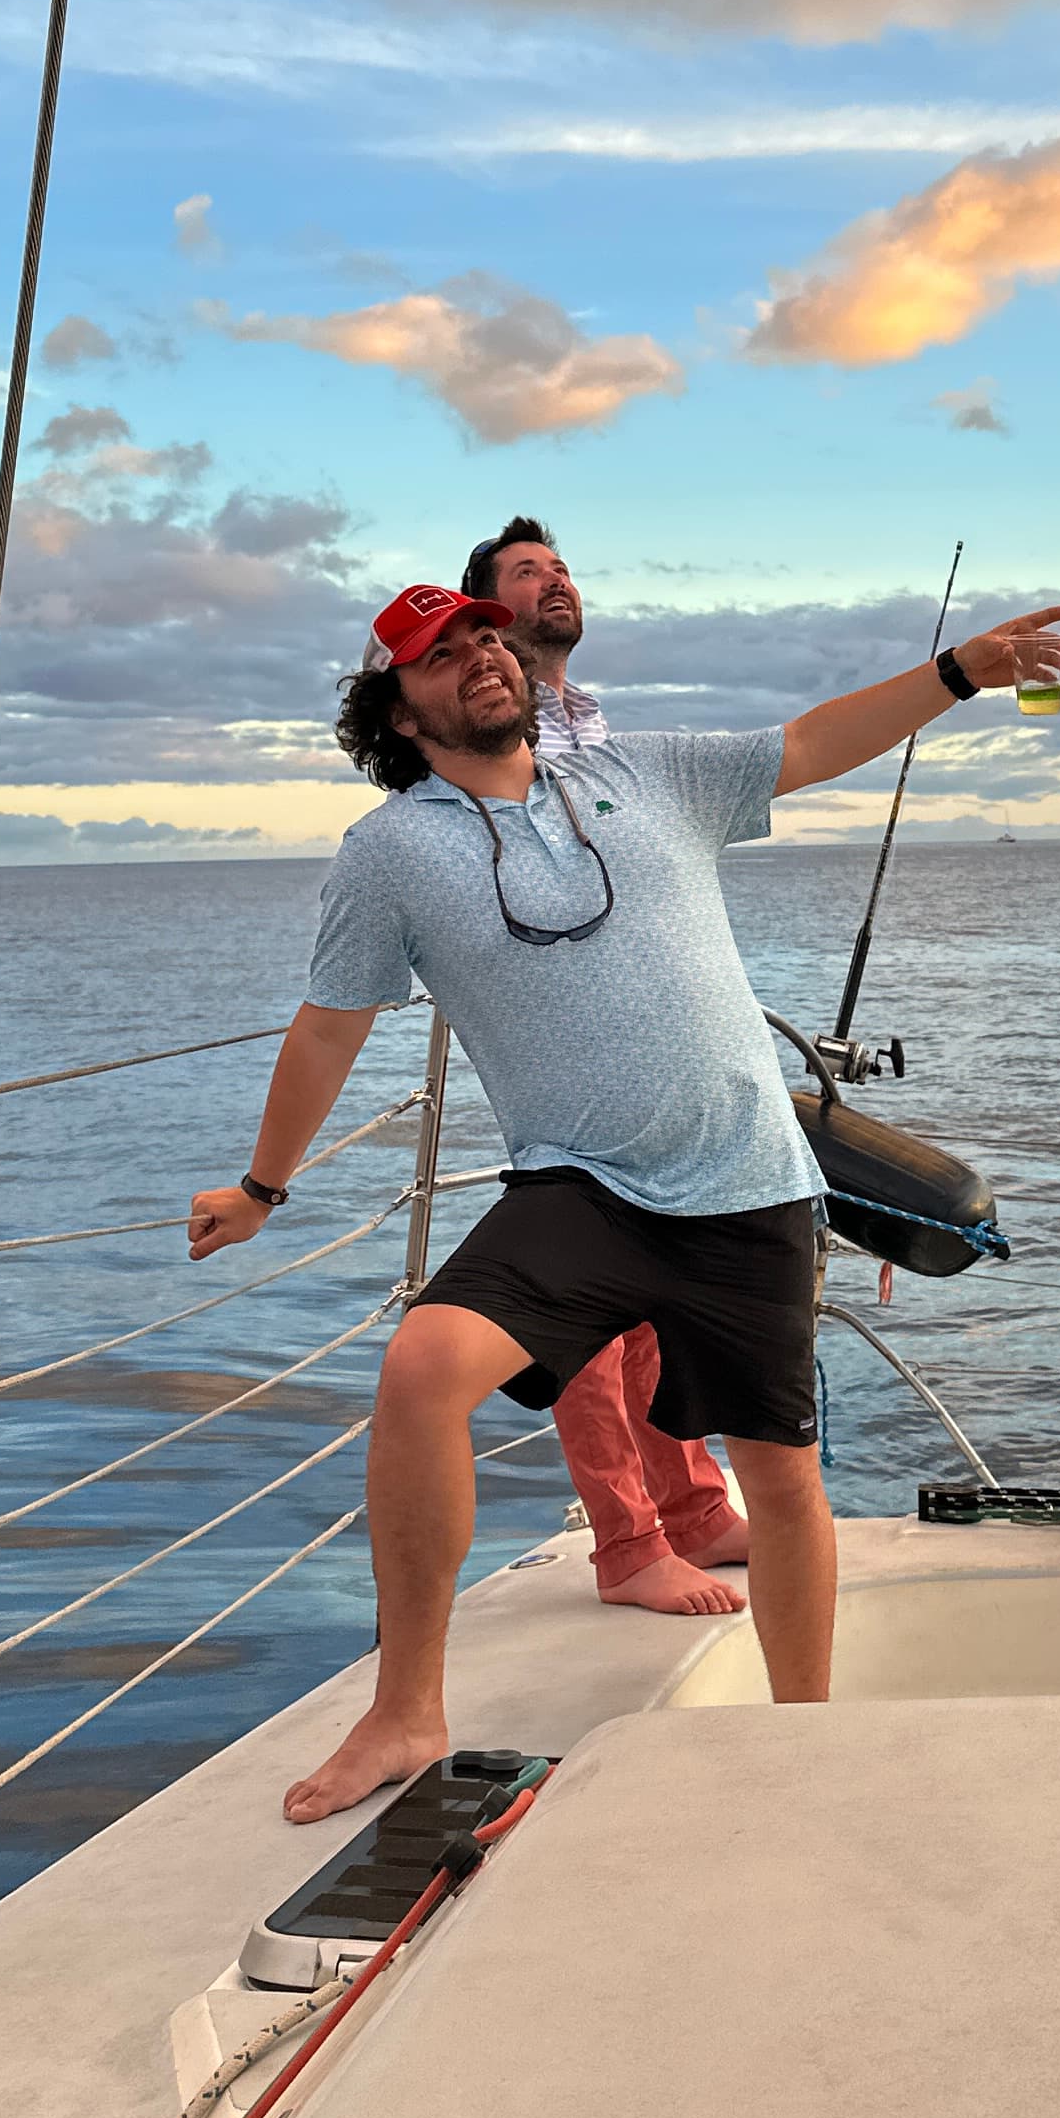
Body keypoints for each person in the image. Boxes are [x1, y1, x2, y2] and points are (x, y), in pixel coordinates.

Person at [190, 575, 1060, 1819]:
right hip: (584, 1187)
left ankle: (806, 1739)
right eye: (441, 655)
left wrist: (955, 675)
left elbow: (810, 743)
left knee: (781, 1480)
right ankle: (405, 1712)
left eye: (486, 637)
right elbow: (331, 1026)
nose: (481, 655)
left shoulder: (645, 772)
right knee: (422, 1370)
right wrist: (262, 1187)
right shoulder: (388, 856)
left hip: (749, 1181)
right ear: (396, 712)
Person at [459, 510, 751, 1620]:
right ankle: (627, 1545)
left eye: (563, 568)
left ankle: (691, 1506)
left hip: (645, 1046)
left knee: (663, 1300)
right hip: (565, 1050)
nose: (556, 582)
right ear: (488, 611)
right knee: (589, 1311)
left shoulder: (589, 721)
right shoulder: (485, 722)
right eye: (528, 572)